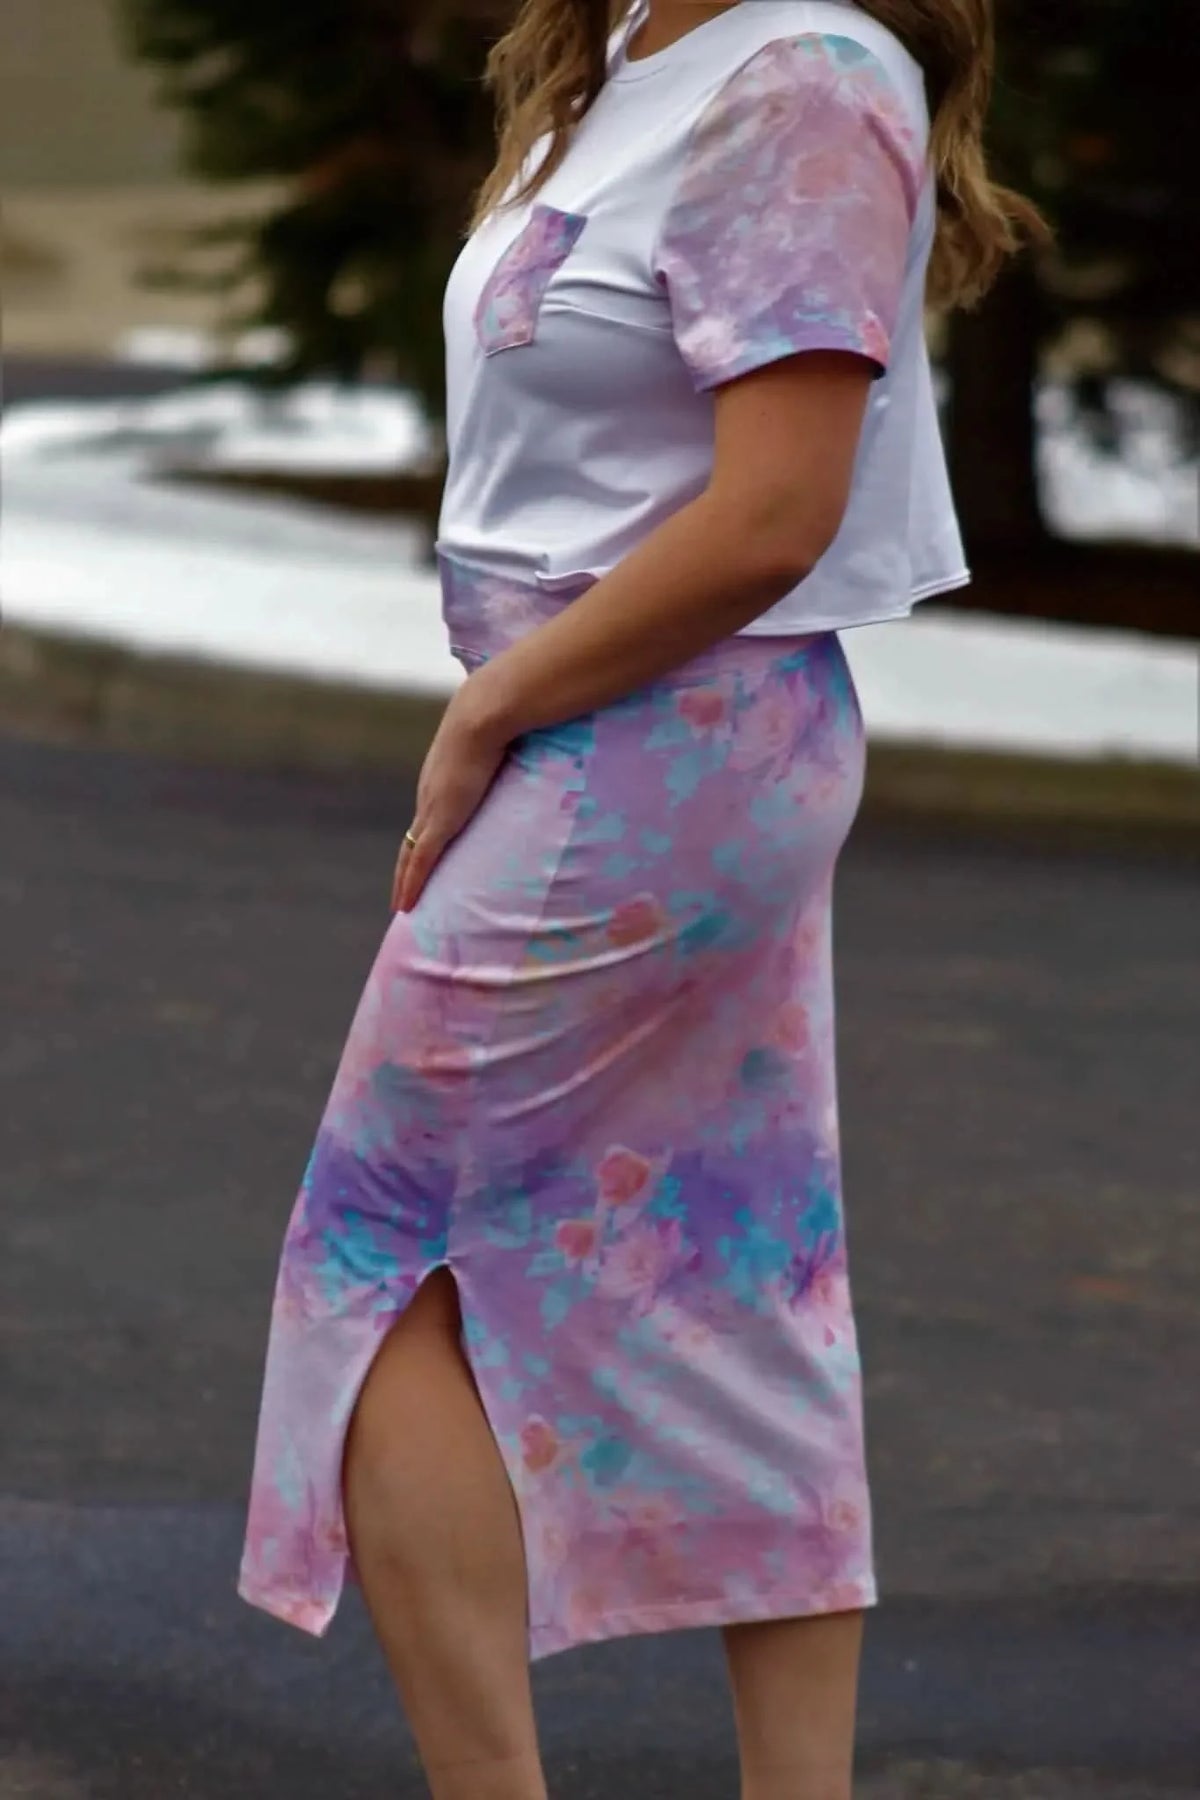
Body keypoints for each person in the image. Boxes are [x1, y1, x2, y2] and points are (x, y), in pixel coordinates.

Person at [238, 1, 1043, 1794]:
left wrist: (495, 708)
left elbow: (776, 512)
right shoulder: (622, 59)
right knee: (744, 1263)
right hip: (650, 740)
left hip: (650, 750)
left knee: (383, 1258)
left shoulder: (802, 76)